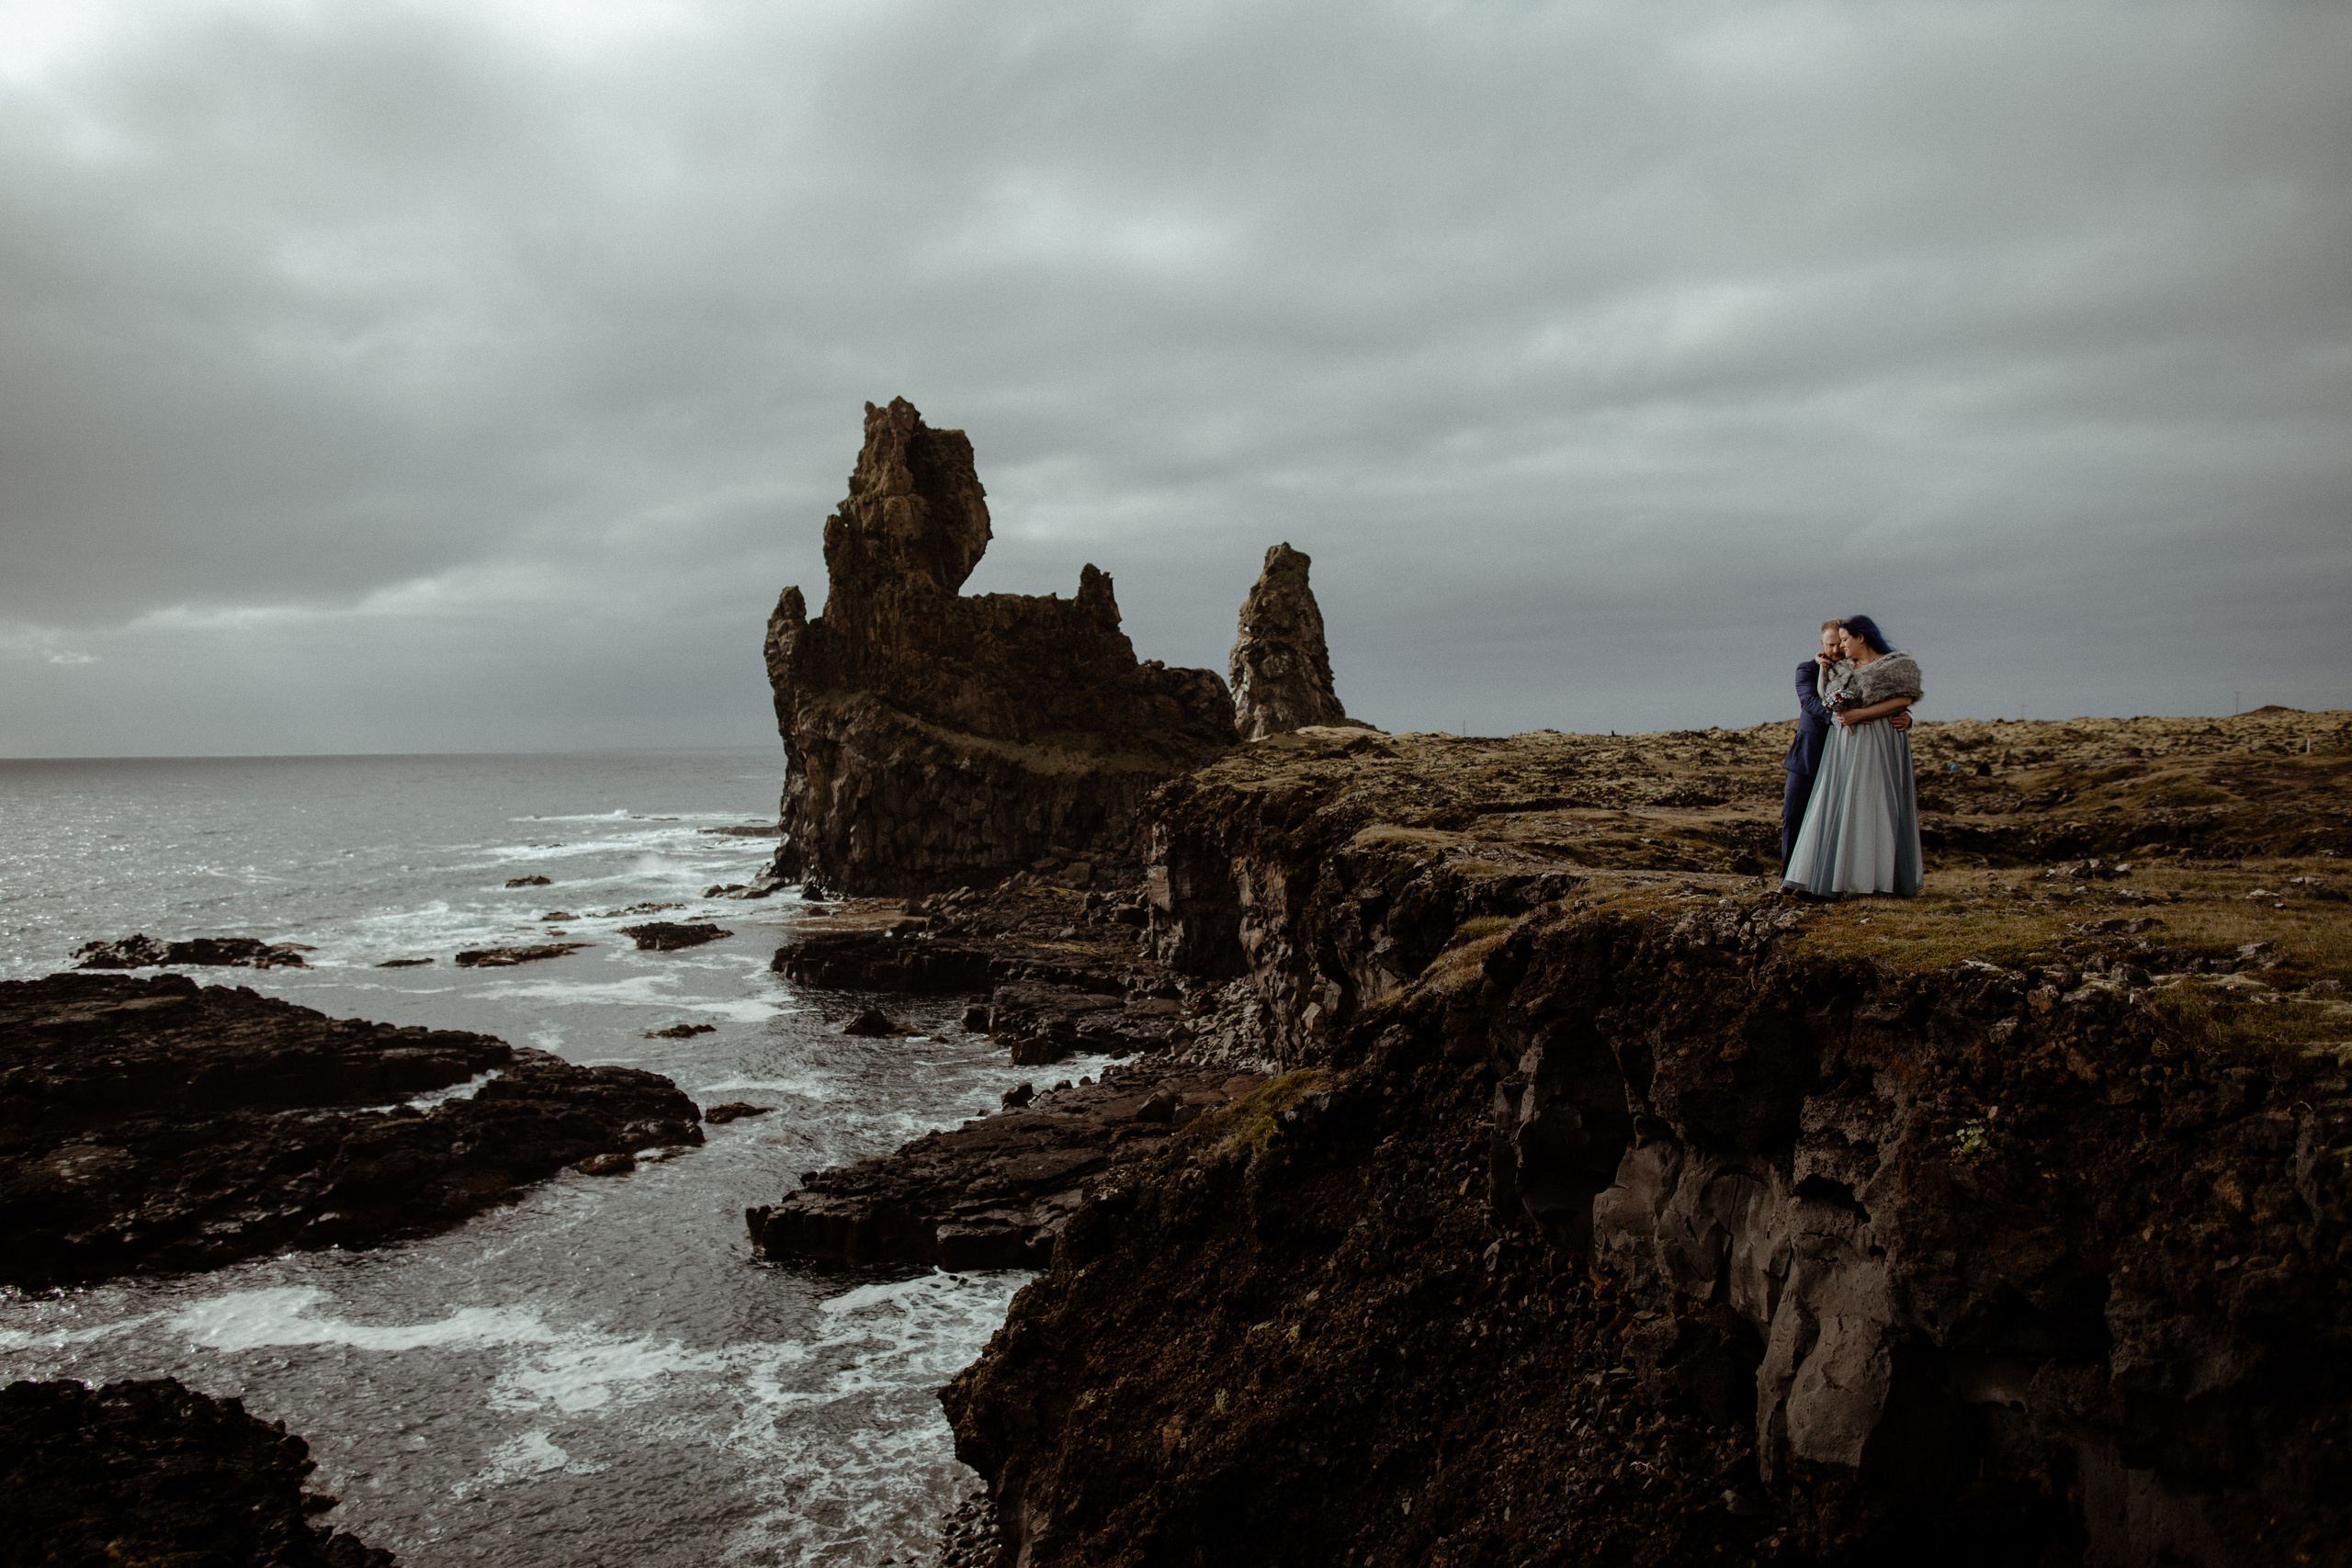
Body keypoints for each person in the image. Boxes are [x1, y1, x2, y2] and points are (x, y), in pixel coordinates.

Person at [1781, 615, 1924, 897]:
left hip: (1858, 748)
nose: (1838, 649)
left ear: (1860, 637)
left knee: (1861, 809)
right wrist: (1844, 715)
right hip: (1814, 753)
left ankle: (1856, 878)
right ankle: (1792, 881)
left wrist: (1902, 716)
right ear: (1822, 643)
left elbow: (1897, 696)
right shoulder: (1813, 669)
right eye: (1833, 644)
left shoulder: (1884, 666)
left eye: (1843, 642)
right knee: (1798, 816)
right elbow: (1812, 702)